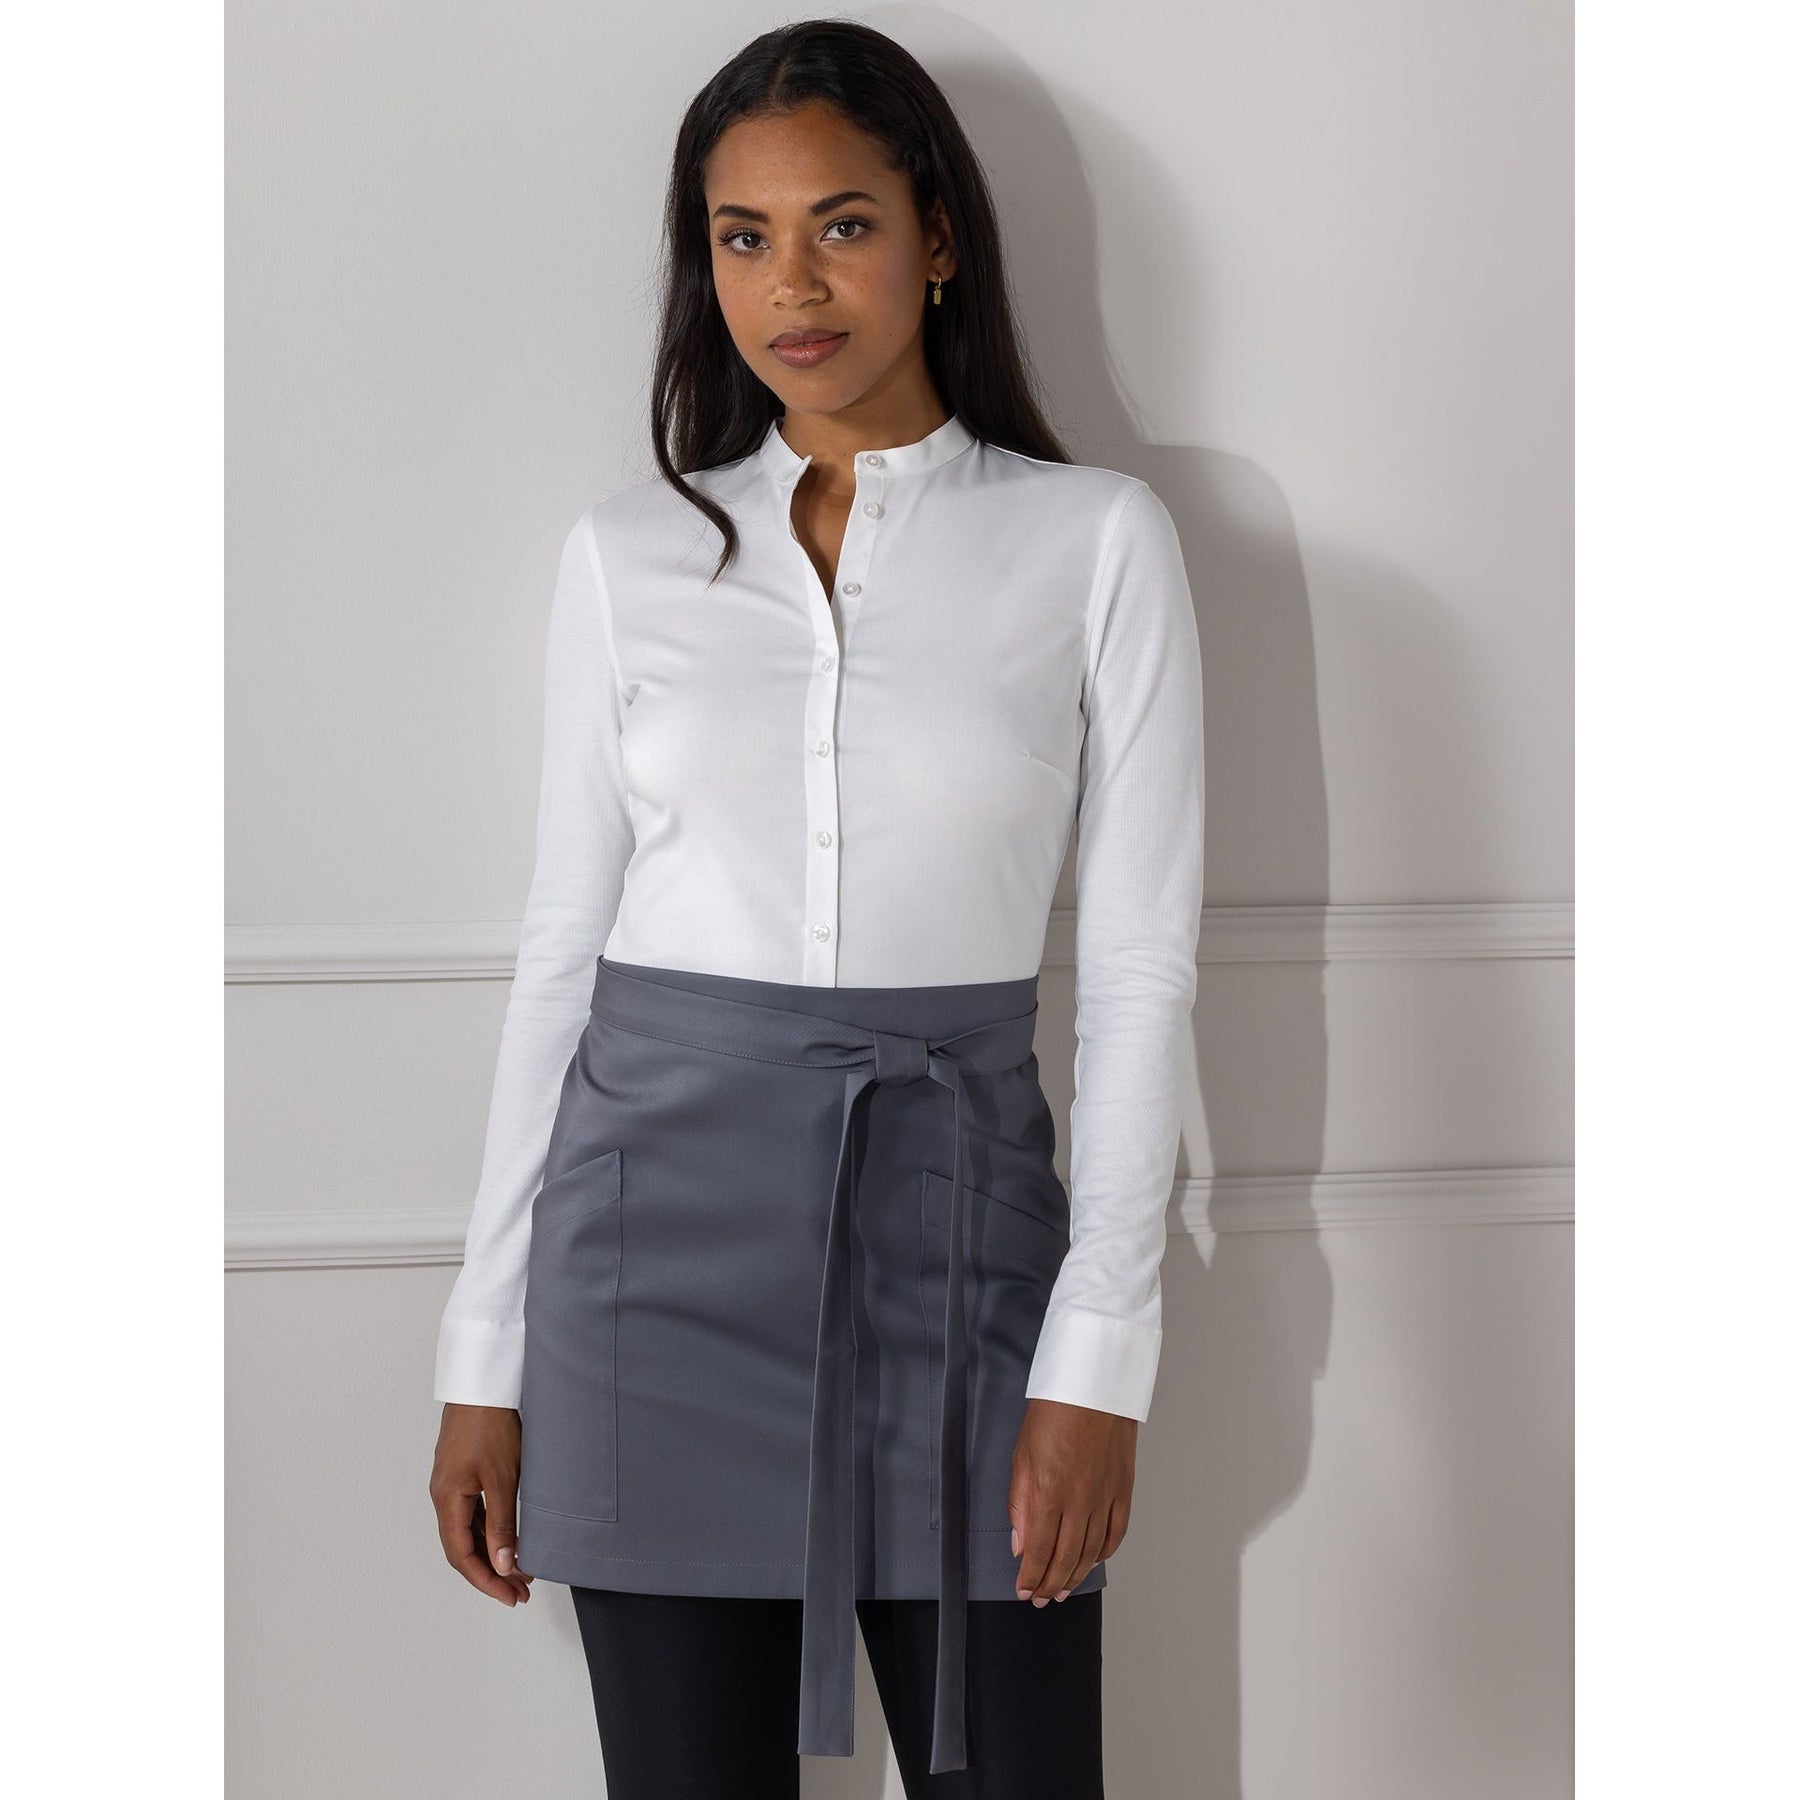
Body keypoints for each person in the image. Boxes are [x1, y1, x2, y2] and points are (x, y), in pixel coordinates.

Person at [427, 19, 1204, 1798]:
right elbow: (560, 959)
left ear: (937, 240)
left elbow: (1141, 972)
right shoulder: (626, 554)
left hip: (963, 1246)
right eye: (744, 236)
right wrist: (483, 1351)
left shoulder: (1097, 542)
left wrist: (1101, 1361)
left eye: (842, 225)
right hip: (646, 1273)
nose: (792, 283)